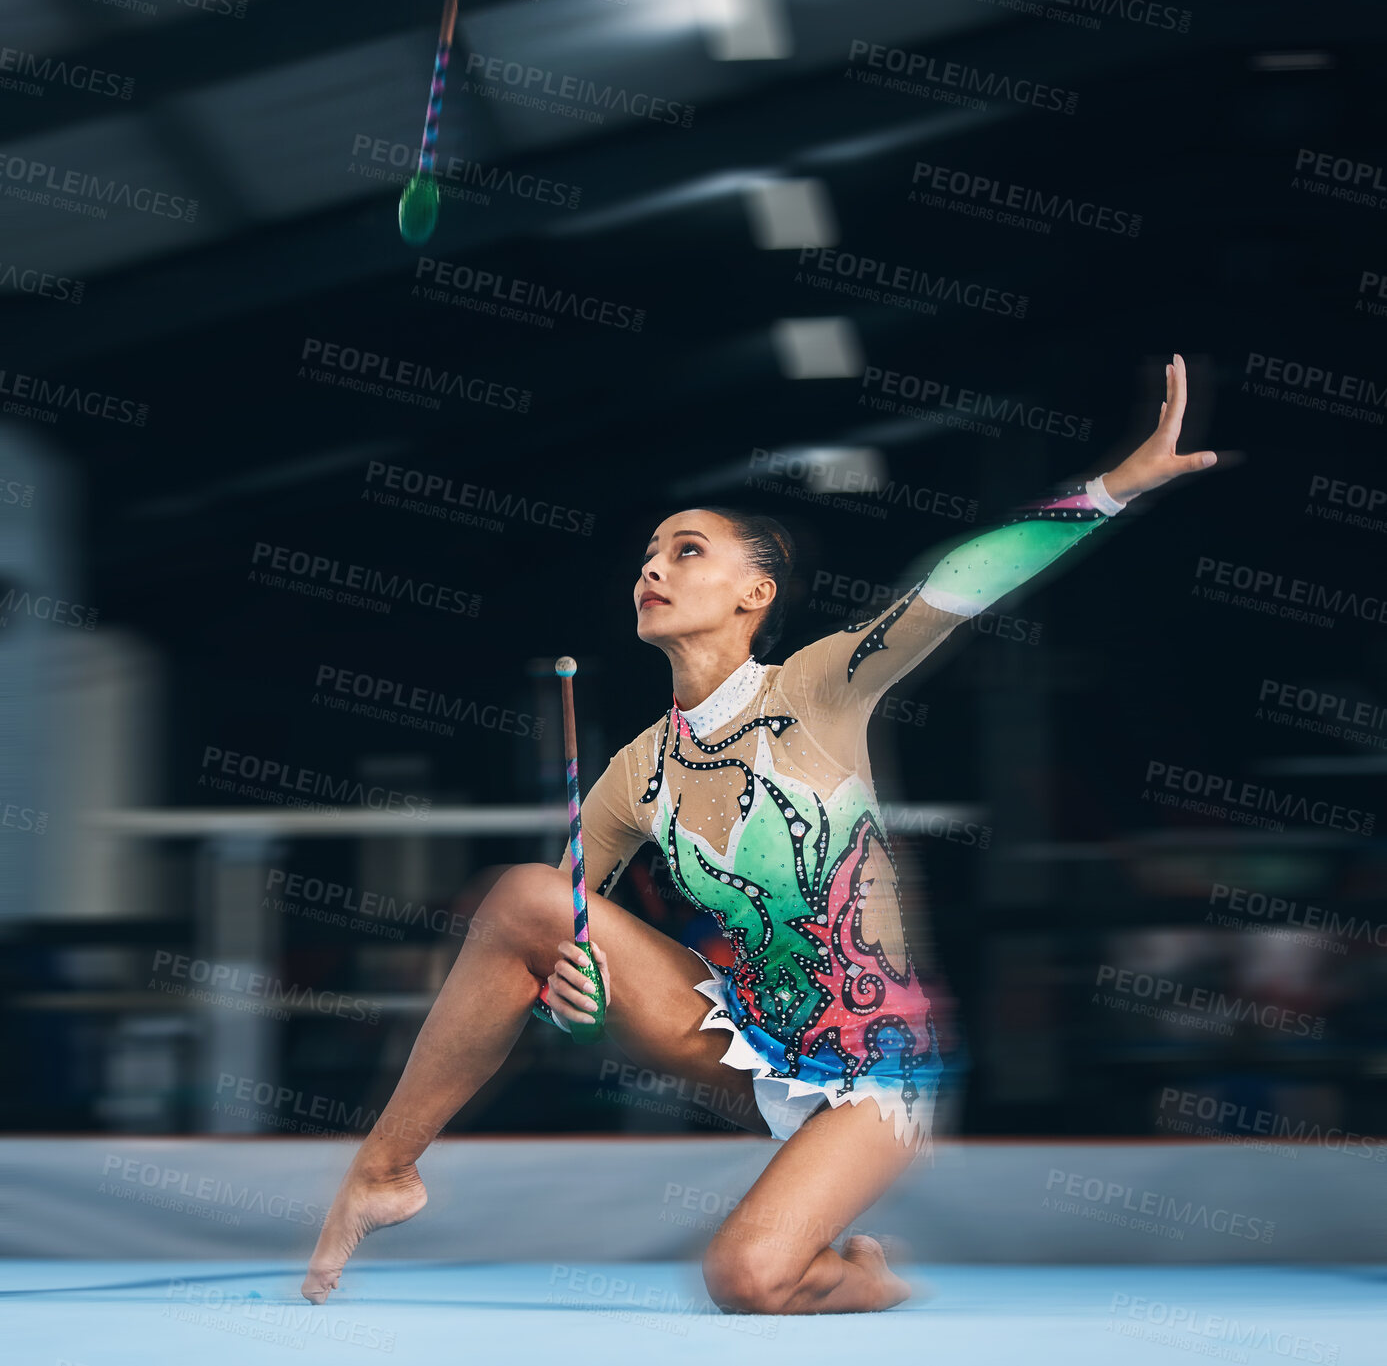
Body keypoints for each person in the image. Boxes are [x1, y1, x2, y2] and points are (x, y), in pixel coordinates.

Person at [302, 354, 1218, 1314]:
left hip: (875, 1067)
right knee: (525, 895)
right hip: (742, 1043)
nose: (653, 566)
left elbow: (958, 581)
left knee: (747, 1279)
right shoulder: (633, 770)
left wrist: (1115, 488)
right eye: (648, 552)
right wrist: (555, 997)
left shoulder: (818, 686)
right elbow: (557, 936)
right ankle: (384, 1169)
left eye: (688, 549)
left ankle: (862, 1270)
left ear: (756, 594)